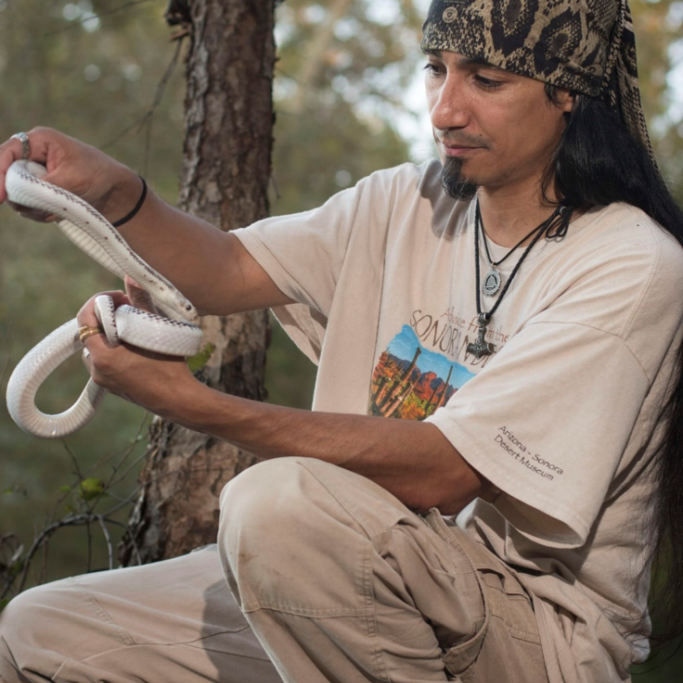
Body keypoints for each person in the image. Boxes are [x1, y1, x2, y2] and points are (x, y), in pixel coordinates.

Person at [1, 0, 683, 681]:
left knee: (275, 505)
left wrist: (192, 404)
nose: (445, 109)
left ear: (567, 89)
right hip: (348, 581)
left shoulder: (630, 263)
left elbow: (445, 471)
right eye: (435, 69)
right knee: (37, 633)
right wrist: (113, 192)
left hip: (530, 633)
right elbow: (227, 269)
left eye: (485, 80)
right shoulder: (403, 203)